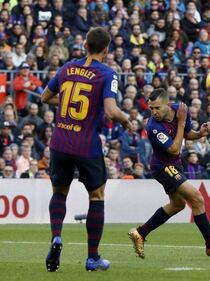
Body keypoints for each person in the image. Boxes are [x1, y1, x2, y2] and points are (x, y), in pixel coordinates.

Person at [41, 27, 133, 272]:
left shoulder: (67, 67)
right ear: (107, 49)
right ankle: (92, 257)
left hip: (60, 142)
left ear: (85, 47)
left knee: (59, 192)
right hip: (86, 145)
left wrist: (67, 103)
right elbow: (112, 111)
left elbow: (45, 96)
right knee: (97, 196)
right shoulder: (107, 74)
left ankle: (57, 237)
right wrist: (126, 120)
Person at [128, 88, 210, 260]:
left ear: (167, 104)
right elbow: (175, 149)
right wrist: (182, 122)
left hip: (175, 165)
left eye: (157, 108)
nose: (153, 112)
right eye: (151, 108)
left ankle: (140, 232)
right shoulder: (153, 126)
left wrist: (199, 134)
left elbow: (186, 134)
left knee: (178, 205)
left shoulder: (180, 110)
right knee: (197, 198)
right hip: (163, 166)